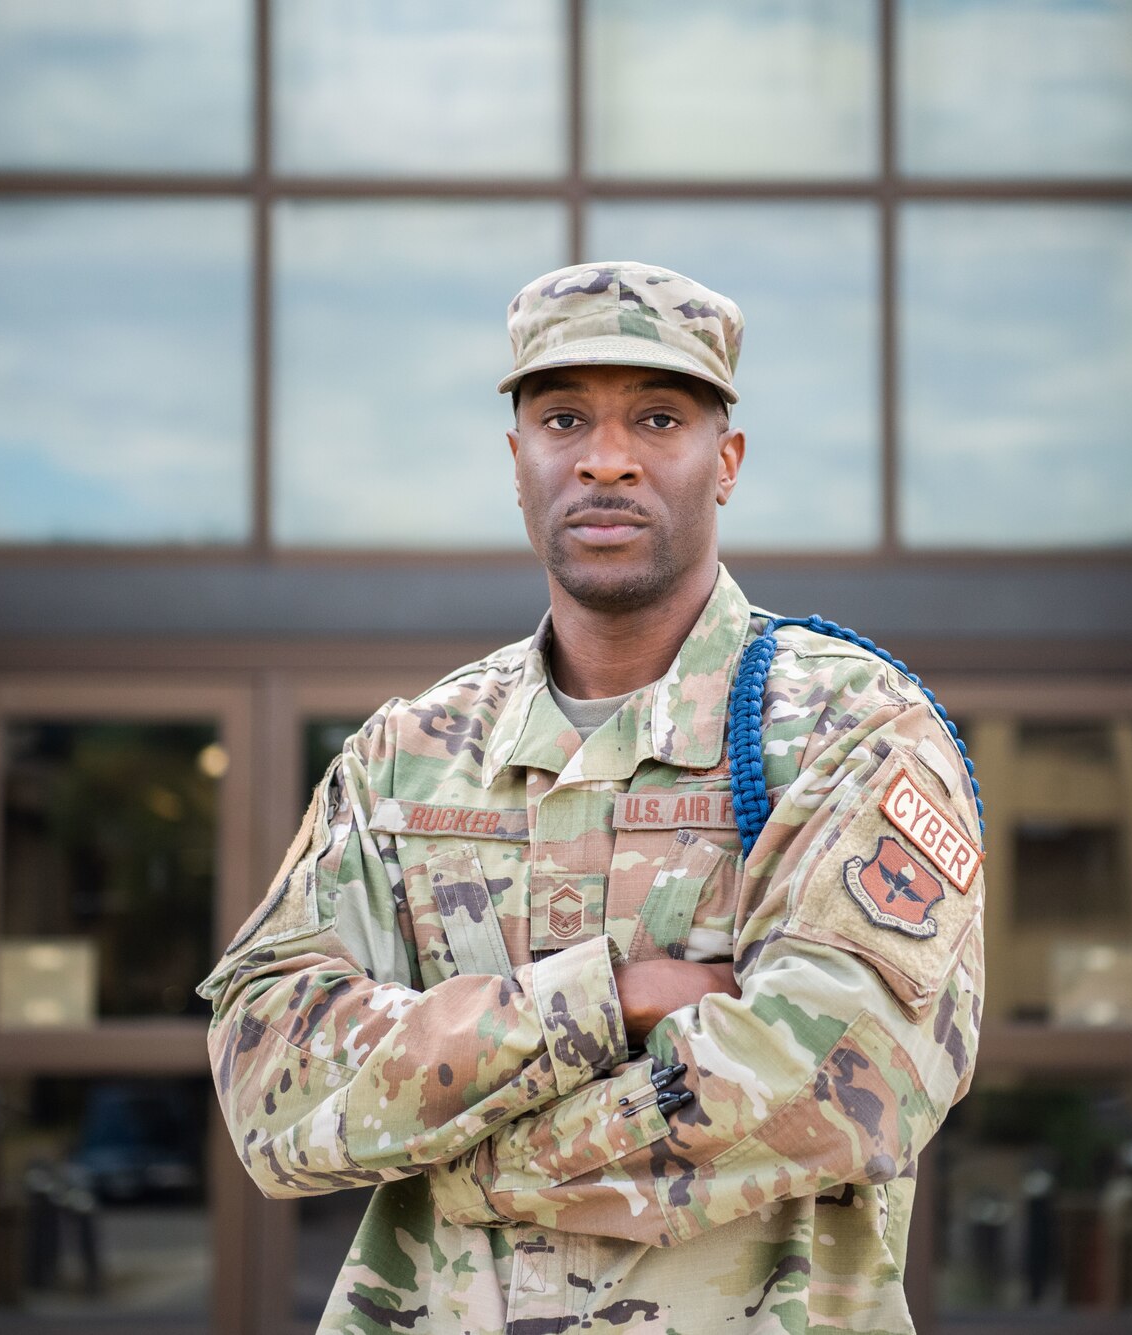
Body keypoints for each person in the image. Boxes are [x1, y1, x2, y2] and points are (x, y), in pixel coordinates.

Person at [197, 261, 985, 1333]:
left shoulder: (848, 732)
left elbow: (840, 1080)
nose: (605, 460)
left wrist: (465, 1161)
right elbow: (268, 1073)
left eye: (657, 419)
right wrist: (605, 999)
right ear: (516, 460)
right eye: (563, 419)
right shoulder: (410, 754)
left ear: (727, 463)